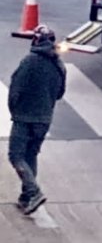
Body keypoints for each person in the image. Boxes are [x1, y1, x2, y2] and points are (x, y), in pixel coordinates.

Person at [7, 24, 66, 215]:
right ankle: (26, 198)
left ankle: (34, 191)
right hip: (44, 119)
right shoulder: (59, 65)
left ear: (35, 40)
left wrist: (15, 110)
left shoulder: (29, 61)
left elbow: (15, 89)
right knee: (30, 155)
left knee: (16, 155)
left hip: (24, 117)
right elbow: (59, 94)